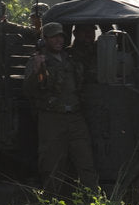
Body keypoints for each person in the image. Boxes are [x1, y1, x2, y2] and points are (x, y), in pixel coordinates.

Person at [24, 20, 99, 196]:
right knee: (52, 164)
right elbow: (29, 90)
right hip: (52, 118)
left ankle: (93, 201)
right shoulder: (39, 61)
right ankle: (53, 203)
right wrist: (36, 70)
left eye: (60, 37)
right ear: (45, 40)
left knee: (85, 162)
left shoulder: (70, 59)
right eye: (53, 37)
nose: (58, 40)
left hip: (75, 117)